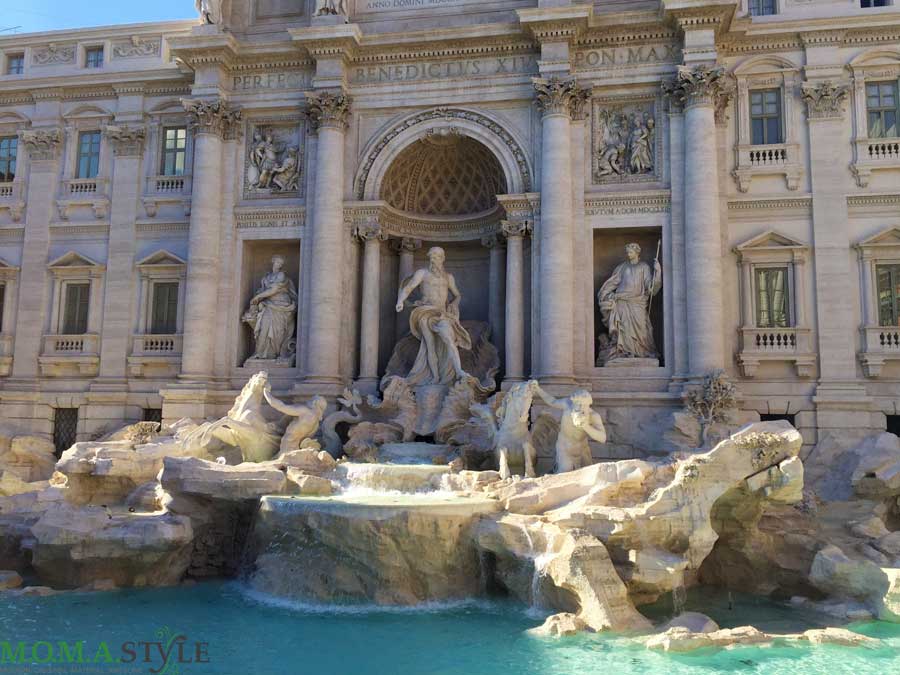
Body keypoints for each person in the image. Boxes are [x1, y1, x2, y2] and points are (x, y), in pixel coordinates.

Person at [394, 246, 471, 385]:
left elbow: (457, 295)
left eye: (437, 257)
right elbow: (409, 287)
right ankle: (435, 377)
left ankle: (459, 371)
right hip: (425, 312)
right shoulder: (422, 273)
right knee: (430, 345)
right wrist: (400, 301)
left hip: (442, 314)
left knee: (448, 338)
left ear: (443, 258)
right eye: (432, 257)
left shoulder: (449, 277)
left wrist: (454, 304)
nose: (434, 259)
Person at [597, 242, 661, 363]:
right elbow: (613, 282)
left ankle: (642, 352)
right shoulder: (622, 267)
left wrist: (657, 272)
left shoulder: (644, 267)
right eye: (627, 252)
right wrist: (606, 294)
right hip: (622, 301)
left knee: (642, 329)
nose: (628, 254)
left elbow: (651, 287)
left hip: (638, 302)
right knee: (624, 327)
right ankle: (624, 352)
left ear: (637, 253)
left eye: (630, 252)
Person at [243, 255, 297, 361]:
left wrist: (258, 296)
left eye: (281, 263)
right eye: (277, 262)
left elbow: (274, 290)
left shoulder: (281, 275)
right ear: (273, 262)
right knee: (263, 328)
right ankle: (259, 353)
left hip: (281, 305)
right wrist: (257, 300)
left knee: (278, 332)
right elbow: (262, 290)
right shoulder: (266, 277)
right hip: (268, 305)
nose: (279, 265)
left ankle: (274, 354)